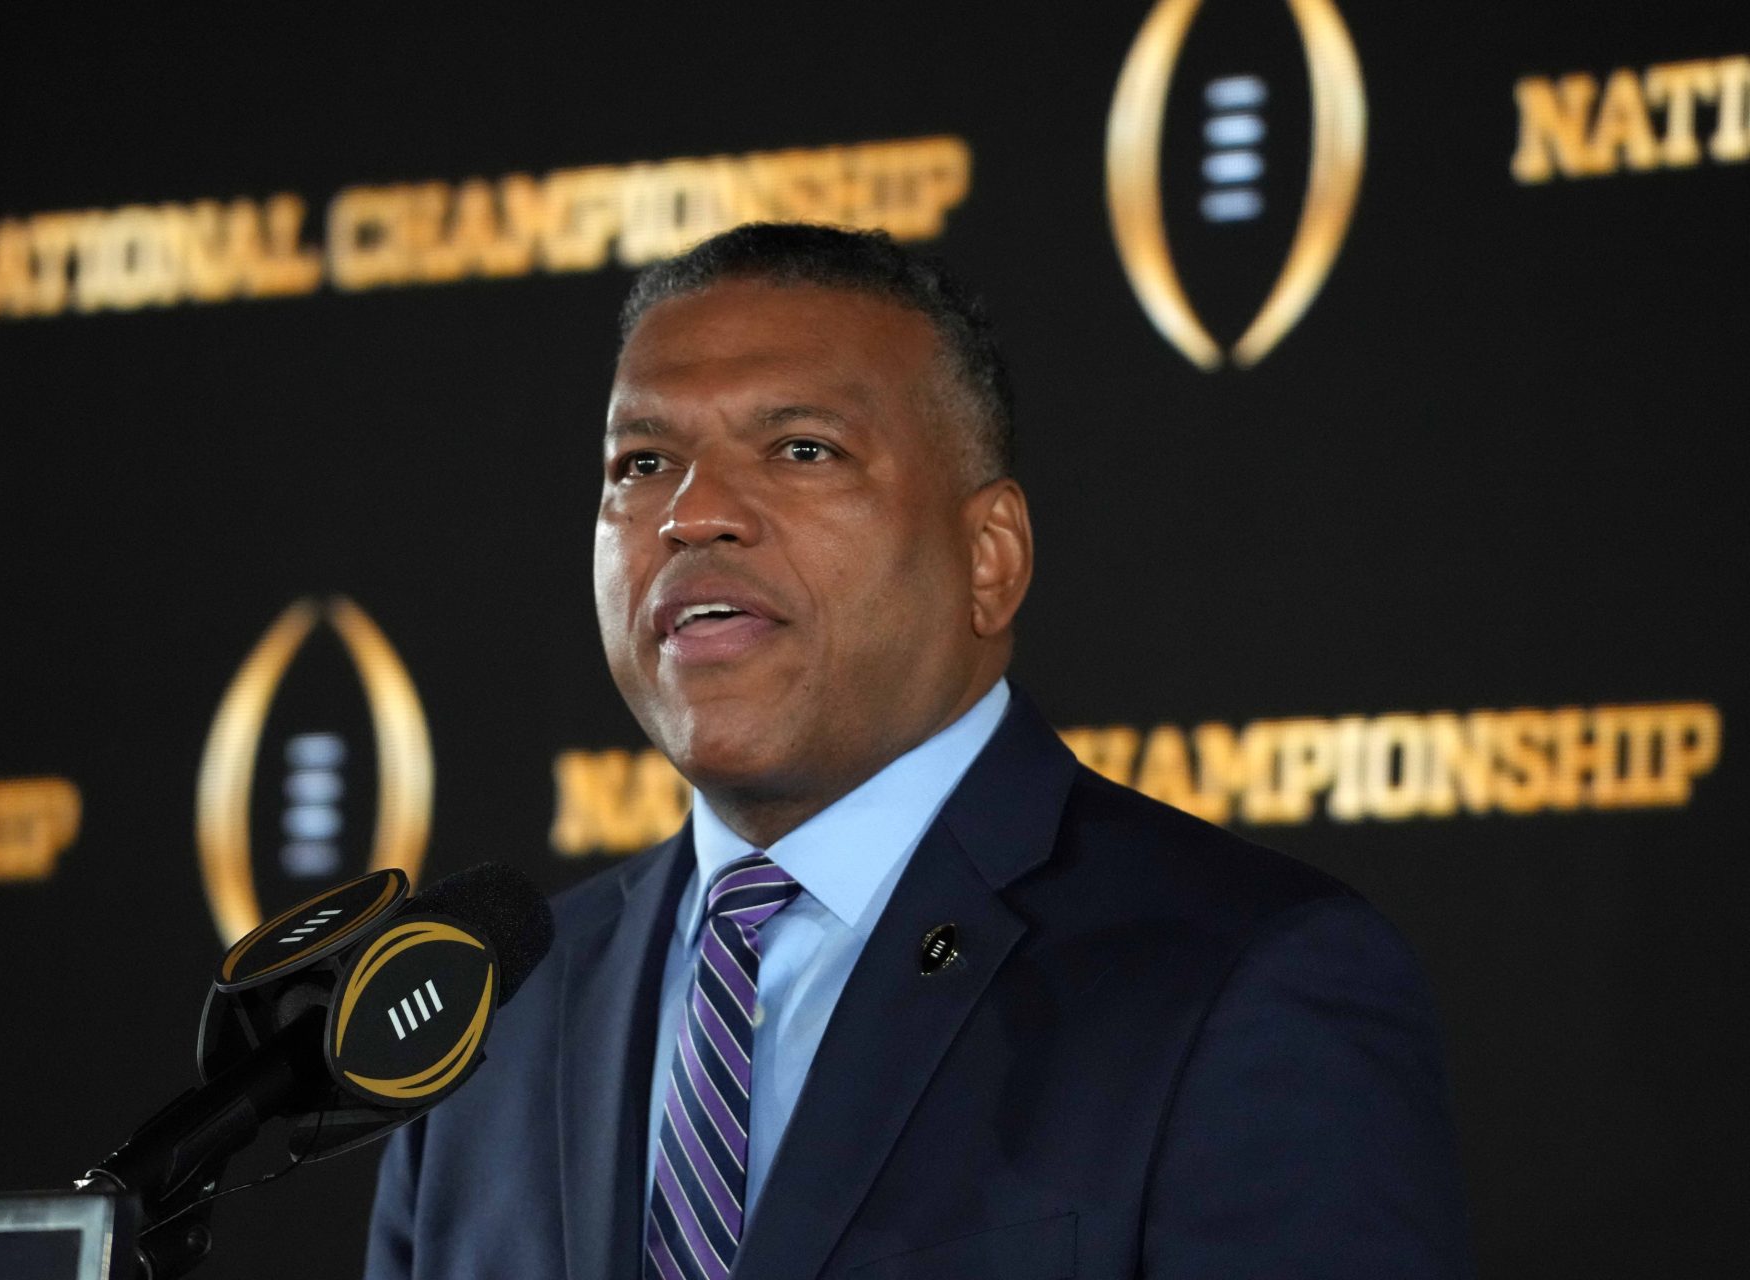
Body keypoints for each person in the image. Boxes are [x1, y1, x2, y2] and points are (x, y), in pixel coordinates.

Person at [365, 223, 1473, 1278]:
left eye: (802, 448)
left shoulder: (1239, 979)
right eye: (642, 463)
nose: (691, 513)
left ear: (990, 558)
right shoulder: (498, 1021)